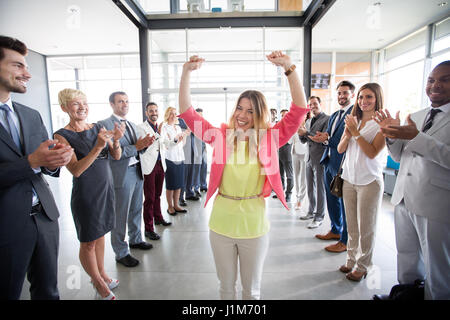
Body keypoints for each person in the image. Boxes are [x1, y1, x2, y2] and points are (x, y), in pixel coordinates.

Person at [178, 51, 309, 300]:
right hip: (221, 222)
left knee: (252, 290)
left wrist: (289, 69)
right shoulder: (221, 136)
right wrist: (186, 73)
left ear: (260, 115)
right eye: (239, 108)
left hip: (254, 224)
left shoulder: (269, 138)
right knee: (226, 288)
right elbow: (188, 114)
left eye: (250, 111)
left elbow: (299, 110)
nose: (242, 115)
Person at [0, 36, 73, 300]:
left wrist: (57, 161)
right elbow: (32, 161)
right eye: (18, 65)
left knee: (48, 291)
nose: (27, 74)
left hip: (44, 217)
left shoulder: (31, 115)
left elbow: (45, 164)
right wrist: (31, 162)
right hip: (6, 224)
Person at [374, 61, 450, 300]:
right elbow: (401, 156)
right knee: (406, 255)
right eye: (431, 80)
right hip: (405, 196)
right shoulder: (417, 115)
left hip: (435, 202)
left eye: (444, 79)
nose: (435, 85)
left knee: (437, 265)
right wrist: (391, 136)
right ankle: (407, 294)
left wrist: (416, 137)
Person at [54, 88, 124, 300]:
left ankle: (102, 274)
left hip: (105, 188)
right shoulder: (62, 135)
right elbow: (75, 170)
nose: (82, 107)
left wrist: (117, 140)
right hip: (86, 193)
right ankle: (98, 283)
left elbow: (116, 155)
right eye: (76, 104)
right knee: (89, 241)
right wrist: (98, 146)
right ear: (65, 107)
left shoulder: (99, 127)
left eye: (84, 103)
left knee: (101, 234)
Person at [336, 83, 386, 282]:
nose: (363, 101)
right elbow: (340, 149)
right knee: (352, 225)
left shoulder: (382, 123)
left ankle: (363, 265)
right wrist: (348, 135)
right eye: (361, 97)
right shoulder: (353, 120)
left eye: (369, 97)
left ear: (377, 99)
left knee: (367, 227)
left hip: (370, 181)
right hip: (349, 178)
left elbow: (373, 152)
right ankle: (350, 259)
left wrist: (356, 133)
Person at [98, 92, 153, 268]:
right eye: (121, 101)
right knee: (120, 214)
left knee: (136, 209)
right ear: (111, 104)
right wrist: (137, 146)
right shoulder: (103, 125)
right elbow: (112, 154)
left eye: (127, 101)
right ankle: (121, 252)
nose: (125, 104)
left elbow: (137, 148)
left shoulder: (131, 124)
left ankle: (136, 239)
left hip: (136, 171)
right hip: (121, 175)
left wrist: (144, 146)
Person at [311, 80, 355, 253]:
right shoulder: (336, 114)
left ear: (352, 95)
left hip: (343, 164)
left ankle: (345, 240)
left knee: (345, 203)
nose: (342, 96)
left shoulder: (354, 114)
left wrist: (327, 139)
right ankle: (336, 230)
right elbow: (330, 136)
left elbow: (348, 138)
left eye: (345, 93)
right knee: (332, 199)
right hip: (329, 161)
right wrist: (324, 137)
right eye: (339, 93)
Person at [137, 102, 172, 242]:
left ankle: (158, 218)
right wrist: (158, 133)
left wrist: (175, 140)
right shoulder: (141, 128)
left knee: (158, 195)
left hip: (160, 164)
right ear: (146, 113)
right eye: (151, 111)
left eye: (156, 110)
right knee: (150, 198)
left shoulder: (159, 127)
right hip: (149, 166)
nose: (154, 113)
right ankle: (149, 229)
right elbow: (145, 145)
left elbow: (164, 144)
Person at [299, 96, 329, 228]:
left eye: (315, 104)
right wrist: (301, 134)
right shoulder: (309, 120)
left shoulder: (327, 119)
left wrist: (306, 132)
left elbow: (320, 138)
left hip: (320, 158)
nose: (312, 106)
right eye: (310, 105)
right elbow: (304, 140)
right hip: (309, 158)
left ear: (320, 104)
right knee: (310, 187)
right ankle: (311, 211)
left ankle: (319, 216)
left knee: (320, 189)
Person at [160, 107, 189, 215]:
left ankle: (176, 205)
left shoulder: (178, 127)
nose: (173, 115)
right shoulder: (164, 127)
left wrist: (184, 136)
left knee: (178, 184)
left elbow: (182, 144)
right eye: (171, 113)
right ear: (167, 114)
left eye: (175, 113)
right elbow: (167, 144)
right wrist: (176, 140)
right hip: (170, 158)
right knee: (171, 184)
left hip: (180, 158)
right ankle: (170, 207)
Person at [291, 113, 308, 211]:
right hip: (294, 153)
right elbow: (289, 141)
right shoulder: (294, 126)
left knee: (303, 178)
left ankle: (300, 200)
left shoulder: (308, 125)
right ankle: (297, 196)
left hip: (304, 153)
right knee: (296, 177)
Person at [278, 109, 294, 202]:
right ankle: (281, 193)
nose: (284, 117)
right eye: (282, 115)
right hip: (280, 150)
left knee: (289, 175)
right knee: (280, 174)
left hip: (288, 150)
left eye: (285, 115)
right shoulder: (280, 126)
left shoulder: (292, 125)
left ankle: (288, 194)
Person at [196, 108, 208, 192]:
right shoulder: (193, 125)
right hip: (196, 150)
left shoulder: (203, 124)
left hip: (203, 148)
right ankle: (196, 187)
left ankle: (203, 185)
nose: (200, 116)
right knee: (197, 169)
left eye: (201, 115)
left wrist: (206, 148)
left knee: (204, 167)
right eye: (199, 114)